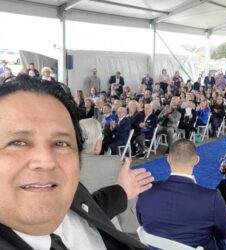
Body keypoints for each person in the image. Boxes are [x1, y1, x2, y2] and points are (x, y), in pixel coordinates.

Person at [0, 75, 154, 249]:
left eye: (61, 143)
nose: (46, 161)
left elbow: (86, 209)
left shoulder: (67, 188)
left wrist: (122, 191)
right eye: (17, 142)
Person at [136, 139, 226, 250]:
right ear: (197, 160)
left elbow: (141, 221)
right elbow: (224, 233)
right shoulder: (212, 197)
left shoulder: (146, 189)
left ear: (168, 159)